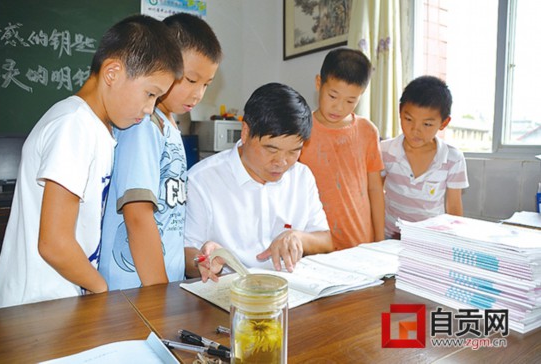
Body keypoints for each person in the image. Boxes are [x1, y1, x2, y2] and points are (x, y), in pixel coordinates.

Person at [0, 15, 183, 309]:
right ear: (112, 73)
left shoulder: (98, 129)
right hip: (32, 307)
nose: (148, 109)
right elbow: (54, 243)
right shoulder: (74, 124)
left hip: (56, 302)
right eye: (150, 94)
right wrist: (100, 288)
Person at [98, 13, 222, 290]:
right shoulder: (142, 123)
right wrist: (158, 292)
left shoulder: (168, 125)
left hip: (157, 283)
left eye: (206, 84)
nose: (199, 94)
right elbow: (138, 214)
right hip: (134, 288)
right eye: (190, 80)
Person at [184, 82, 333, 282]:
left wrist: (298, 237)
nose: (281, 162)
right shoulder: (202, 180)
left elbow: (326, 241)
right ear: (245, 132)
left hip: (289, 290)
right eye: (271, 150)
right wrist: (202, 259)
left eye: (293, 151)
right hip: (228, 292)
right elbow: (184, 255)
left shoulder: (301, 176)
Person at [299, 48, 385, 250]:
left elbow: (375, 189)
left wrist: (381, 242)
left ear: (361, 95)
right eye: (333, 96)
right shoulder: (301, 129)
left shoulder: (367, 131)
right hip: (316, 244)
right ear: (319, 83)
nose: (339, 107)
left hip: (361, 241)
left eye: (350, 101)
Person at [381, 75, 469, 239]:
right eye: (408, 119)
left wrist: (456, 242)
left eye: (427, 124)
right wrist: (376, 235)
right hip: (390, 236)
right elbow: (375, 194)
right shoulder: (385, 151)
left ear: (444, 123)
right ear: (400, 112)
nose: (415, 130)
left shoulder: (453, 158)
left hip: (431, 239)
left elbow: (454, 207)